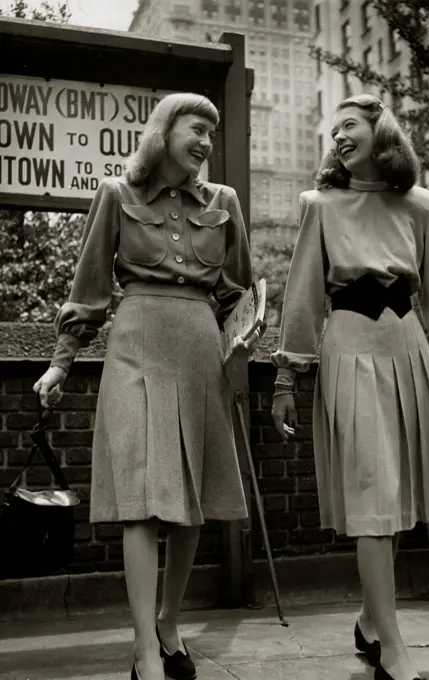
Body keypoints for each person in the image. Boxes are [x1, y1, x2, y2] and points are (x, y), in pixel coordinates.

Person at [34, 92, 260, 680]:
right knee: (140, 500)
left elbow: (236, 291)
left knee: (187, 508)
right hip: (133, 345)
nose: (206, 142)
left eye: (212, 133)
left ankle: (168, 623)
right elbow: (88, 290)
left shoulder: (224, 202)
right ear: (164, 132)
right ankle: (142, 650)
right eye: (196, 129)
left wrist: (248, 334)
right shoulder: (116, 194)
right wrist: (62, 362)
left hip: (199, 351)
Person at [271, 94, 429, 680]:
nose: (337, 137)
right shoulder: (321, 205)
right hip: (349, 352)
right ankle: (393, 646)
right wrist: (287, 375)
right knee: (372, 499)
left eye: (349, 126)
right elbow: (304, 297)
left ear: (381, 132)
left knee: (394, 498)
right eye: (332, 131)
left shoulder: (424, 205)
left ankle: (368, 621)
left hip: (406, 352)